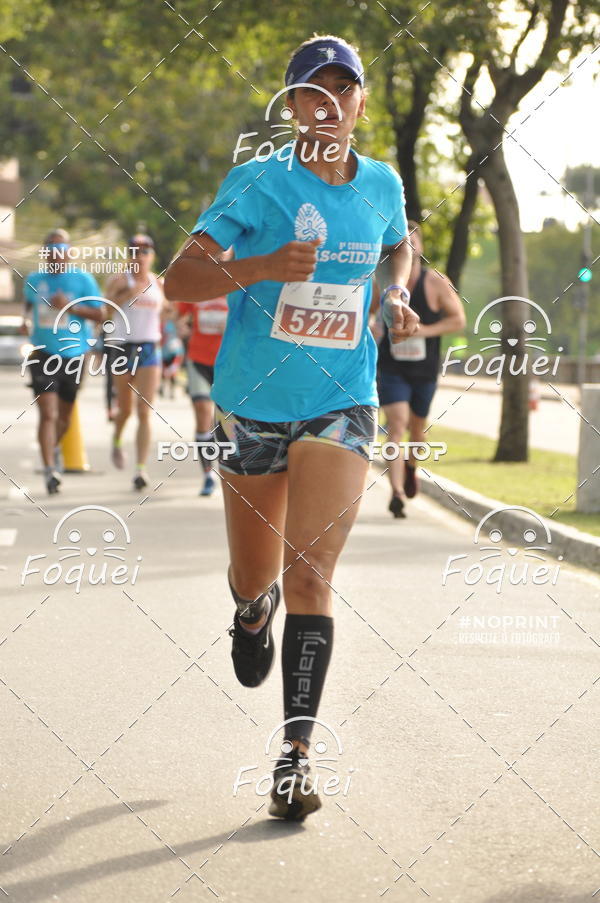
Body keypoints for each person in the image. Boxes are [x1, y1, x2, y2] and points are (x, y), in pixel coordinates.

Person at [165, 35, 418, 820]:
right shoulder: (258, 181)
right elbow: (180, 280)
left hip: (343, 398)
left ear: (361, 102)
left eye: (344, 90)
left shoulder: (381, 182)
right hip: (252, 404)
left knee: (311, 571)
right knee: (257, 575)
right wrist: (266, 265)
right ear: (293, 105)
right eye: (315, 92)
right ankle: (249, 611)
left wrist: (398, 290)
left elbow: (397, 243)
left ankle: (295, 755)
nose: (330, 105)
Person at [377, 221, 466, 518]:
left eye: (413, 240)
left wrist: (425, 331)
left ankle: (412, 468)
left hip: (424, 370)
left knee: (417, 429)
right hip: (390, 367)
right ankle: (397, 492)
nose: (408, 245)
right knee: (396, 424)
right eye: (403, 240)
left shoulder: (436, 281)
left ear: (421, 247)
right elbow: (364, 315)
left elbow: (458, 320)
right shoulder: (382, 281)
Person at [22, 229, 104, 494]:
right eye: (51, 248)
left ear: (69, 252)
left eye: (61, 248)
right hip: (42, 354)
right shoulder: (33, 280)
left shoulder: (83, 280)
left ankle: (54, 448)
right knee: (48, 413)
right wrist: (26, 324)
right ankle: (49, 471)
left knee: (64, 417)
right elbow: (27, 307)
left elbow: (101, 314)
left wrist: (70, 306)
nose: (56, 254)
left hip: (73, 355)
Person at [105, 233, 166, 491]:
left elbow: (167, 310)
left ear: (151, 256)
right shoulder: (119, 280)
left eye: (144, 251)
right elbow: (105, 312)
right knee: (126, 409)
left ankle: (140, 469)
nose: (139, 256)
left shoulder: (158, 282)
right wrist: (125, 294)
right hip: (122, 346)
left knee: (144, 411)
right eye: (134, 251)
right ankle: (117, 438)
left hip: (149, 347)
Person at [177, 292, 229, 496]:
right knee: (202, 412)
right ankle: (208, 474)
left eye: (224, 256)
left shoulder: (238, 282)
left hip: (227, 363)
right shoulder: (201, 283)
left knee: (226, 420)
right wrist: (180, 325)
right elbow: (179, 313)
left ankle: (228, 472)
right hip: (198, 359)